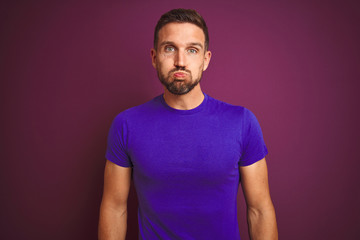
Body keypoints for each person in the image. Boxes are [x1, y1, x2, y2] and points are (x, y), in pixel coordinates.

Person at [98, 8, 278, 240]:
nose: (180, 61)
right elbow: (114, 208)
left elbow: (260, 210)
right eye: (169, 48)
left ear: (205, 59)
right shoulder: (126, 125)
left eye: (192, 50)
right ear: (154, 57)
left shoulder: (242, 122)